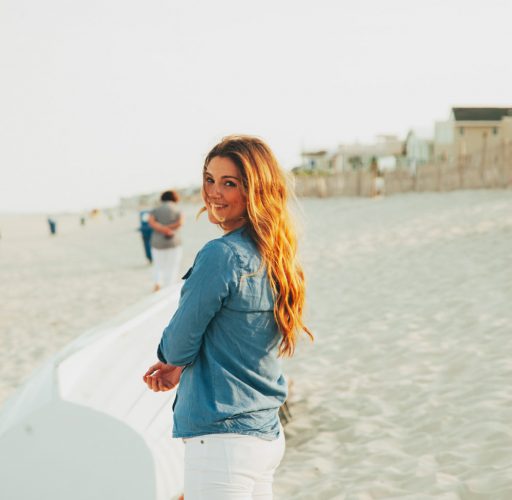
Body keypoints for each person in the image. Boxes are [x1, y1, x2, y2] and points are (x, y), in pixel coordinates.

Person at [143, 135, 313, 499]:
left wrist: (174, 361)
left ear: (256, 189)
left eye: (229, 183)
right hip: (264, 432)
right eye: (209, 179)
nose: (214, 192)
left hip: (224, 440)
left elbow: (177, 342)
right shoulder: (277, 254)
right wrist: (179, 363)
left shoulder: (222, 255)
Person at [148, 190, 184, 291]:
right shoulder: (177, 209)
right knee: (172, 266)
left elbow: (151, 222)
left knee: (158, 265)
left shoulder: (155, 209)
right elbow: (180, 222)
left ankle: (157, 283)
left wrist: (163, 228)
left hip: (157, 243)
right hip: (174, 242)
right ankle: (169, 287)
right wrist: (169, 229)